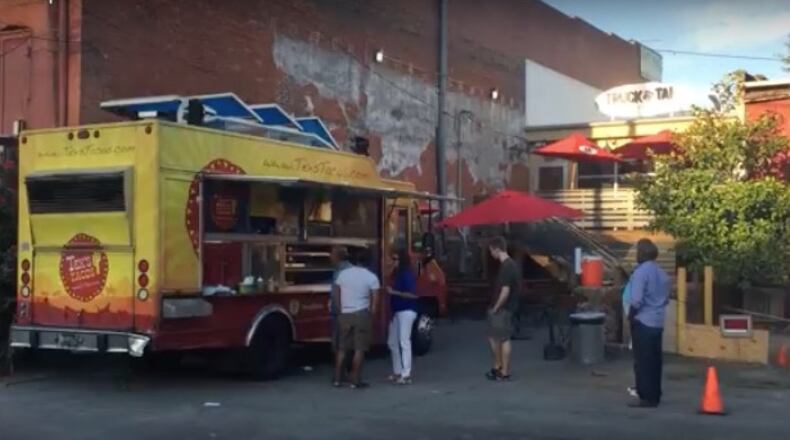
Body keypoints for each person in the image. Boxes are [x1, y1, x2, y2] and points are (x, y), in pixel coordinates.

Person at [627, 239, 670, 408]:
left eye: (637, 252)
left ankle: (645, 396)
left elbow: (636, 300)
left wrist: (631, 317)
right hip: (658, 322)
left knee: (642, 361)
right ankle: (655, 395)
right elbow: (665, 299)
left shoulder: (640, 273)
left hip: (643, 321)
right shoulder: (662, 273)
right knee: (655, 361)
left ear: (642, 254)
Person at [332, 248, 380, 389]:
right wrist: (372, 315)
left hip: (345, 314)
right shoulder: (372, 277)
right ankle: (355, 380)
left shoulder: (343, 274)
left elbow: (336, 293)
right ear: (369, 261)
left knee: (342, 349)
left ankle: (337, 379)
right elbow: (375, 302)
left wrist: (340, 310)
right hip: (361, 314)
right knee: (359, 349)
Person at [485, 236, 522, 381]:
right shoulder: (510, 265)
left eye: (491, 250)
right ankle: (498, 367)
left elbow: (505, 291)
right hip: (507, 307)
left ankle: (503, 370)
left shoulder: (507, 267)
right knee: (497, 337)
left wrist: (496, 308)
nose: (490, 254)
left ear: (497, 249)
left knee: (502, 338)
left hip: (504, 308)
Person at [387, 249, 420, 385]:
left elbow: (413, 295)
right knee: (393, 342)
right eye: (393, 259)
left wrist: (394, 292)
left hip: (406, 310)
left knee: (404, 341)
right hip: (398, 311)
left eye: (396, 259)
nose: (393, 262)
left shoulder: (406, 274)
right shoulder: (398, 274)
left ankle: (406, 374)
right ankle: (398, 371)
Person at [329, 247, 352, 354]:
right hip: (346, 310)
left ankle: (342, 361)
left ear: (338, 257)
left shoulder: (342, 272)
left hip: (342, 311)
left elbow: (337, 292)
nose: (330, 257)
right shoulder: (343, 269)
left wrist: (339, 310)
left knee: (340, 343)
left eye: (332, 255)